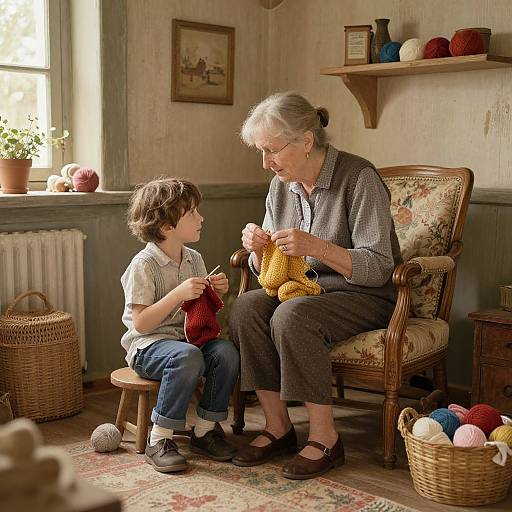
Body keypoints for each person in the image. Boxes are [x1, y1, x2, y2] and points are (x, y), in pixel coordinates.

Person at [229, 92, 402, 480]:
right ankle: (279, 427)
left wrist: (317, 247)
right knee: (245, 308)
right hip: (305, 290)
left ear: (306, 141)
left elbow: (378, 267)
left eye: (271, 150)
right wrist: (257, 250)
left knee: (293, 316)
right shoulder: (281, 186)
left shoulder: (360, 178)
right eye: (261, 151)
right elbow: (270, 272)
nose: (265, 162)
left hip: (364, 295)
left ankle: (325, 437)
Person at [121, 177, 239, 473]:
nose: (201, 218)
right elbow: (142, 323)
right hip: (148, 348)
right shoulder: (143, 265)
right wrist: (177, 294)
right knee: (188, 356)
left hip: (188, 343)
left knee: (226, 353)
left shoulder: (193, 258)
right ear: (166, 227)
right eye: (193, 213)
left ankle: (203, 430)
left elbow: (198, 310)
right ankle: (159, 439)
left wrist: (214, 292)